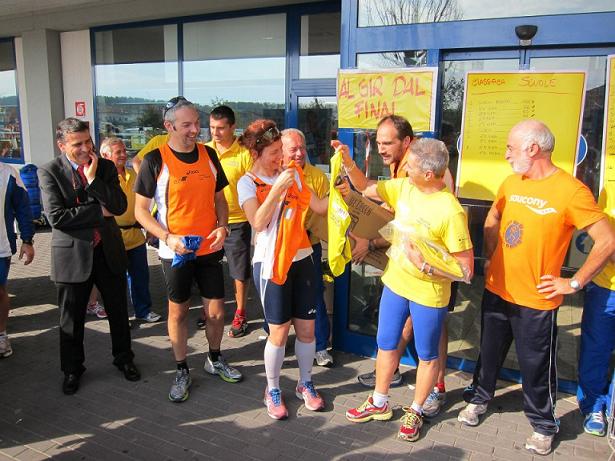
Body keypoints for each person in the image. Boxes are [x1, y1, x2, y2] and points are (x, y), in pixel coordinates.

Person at [457, 120, 615, 456]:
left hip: (538, 300)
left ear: (533, 148)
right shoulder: (512, 182)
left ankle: (544, 424)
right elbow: (493, 219)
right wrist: (491, 257)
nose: (506, 154)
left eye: (511, 148)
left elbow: (607, 241)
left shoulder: (571, 191)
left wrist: (574, 282)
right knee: (488, 353)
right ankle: (479, 398)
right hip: (498, 290)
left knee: (536, 367)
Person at [342, 137, 473, 442]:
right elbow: (365, 187)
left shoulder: (451, 211)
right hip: (395, 283)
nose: (405, 168)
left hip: (428, 293)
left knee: (427, 356)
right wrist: (348, 161)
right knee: (386, 343)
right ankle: (379, 401)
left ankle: (415, 409)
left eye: (411, 165)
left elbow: (465, 271)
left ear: (429, 173)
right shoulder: (405, 187)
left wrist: (427, 265)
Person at [134, 97, 242, 403]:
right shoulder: (156, 160)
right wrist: (166, 238)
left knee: (217, 313)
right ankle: (181, 369)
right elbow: (141, 211)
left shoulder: (208, 154)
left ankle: (214, 358)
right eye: (187, 125)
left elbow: (220, 198)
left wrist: (222, 226)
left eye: (198, 122)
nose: (196, 129)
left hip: (209, 245)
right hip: (176, 250)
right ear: (169, 126)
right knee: (178, 312)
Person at [38, 117, 140, 395]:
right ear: (62, 145)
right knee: (71, 319)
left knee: (118, 313)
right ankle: (72, 369)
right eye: (77, 144)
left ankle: (124, 359)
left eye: (88, 141)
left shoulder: (104, 167)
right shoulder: (49, 172)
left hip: (108, 252)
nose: (85, 148)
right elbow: (57, 217)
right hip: (72, 258)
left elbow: (118, 206)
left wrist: (94, 180)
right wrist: (99, 211)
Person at [237, 119, 328, 420]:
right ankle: (272, 388)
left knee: (307, 329)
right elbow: (258, 222)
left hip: (302, 257)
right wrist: (278, 188)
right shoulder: (247, 182)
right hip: (270, 262)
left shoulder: (293, 174)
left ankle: (306, 383)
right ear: (258, 153)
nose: (281, 157)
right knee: (278, 332)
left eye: (281, 150)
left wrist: (346, 187)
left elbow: (319, 207)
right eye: (275, 151)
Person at [280, 128, 333, 367]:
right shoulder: (273, 175)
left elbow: (325, 213)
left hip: (309, 247)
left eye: (302, 148)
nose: (300, 153)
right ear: (280, 150)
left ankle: (321, 346)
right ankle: (275, 339)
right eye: (293, 149)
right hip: (279, 249)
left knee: (314, 298)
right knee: (279, 297)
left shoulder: (317, 177)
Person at [100, 137, 161, 323]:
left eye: (124, 151)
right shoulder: (100, 179)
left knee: (140, 276)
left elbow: (145, 203)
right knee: (115, 281)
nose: (123, 155)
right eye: (118, 152)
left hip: (135, 236)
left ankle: (143, 310)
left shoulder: (134, 175)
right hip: (112, 237)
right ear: (105, 155)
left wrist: (150, 227)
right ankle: (120, 315)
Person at [205, 106, 254, 337]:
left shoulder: (244, 153)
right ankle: (210, 311)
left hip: (237, 221)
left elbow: (254, 187)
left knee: (238, 272)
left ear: (233, 127)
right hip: (209, 221)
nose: (215, 132)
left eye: (221, 128)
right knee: (207, 269)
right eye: (212, 127)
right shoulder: (204, 151)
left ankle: (240, 313)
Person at [576, 183, 615, 437]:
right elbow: (602, 238)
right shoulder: (610, 186)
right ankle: (594, 406)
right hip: (606, 287)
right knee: (596, 349)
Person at [0, 161, 35, 358]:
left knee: (0, 291)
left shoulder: (8, 174)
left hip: (1, 245)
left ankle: (1, 334)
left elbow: (23, 207)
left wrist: (27, 240)